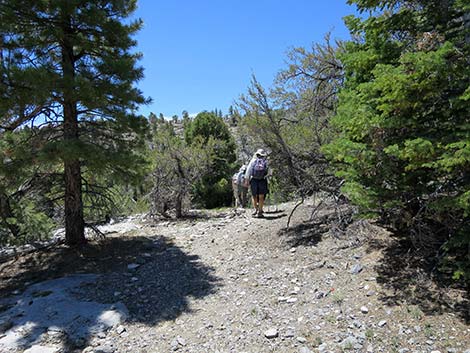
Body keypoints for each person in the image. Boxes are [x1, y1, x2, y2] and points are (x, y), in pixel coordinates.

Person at [245, 148, 268, 218]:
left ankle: (256, 210)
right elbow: (270, 172)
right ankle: (260, 212)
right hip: (262, 180)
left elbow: (248, 171)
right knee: (261, 196)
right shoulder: (266, 161)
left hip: (254, 180)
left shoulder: (253, 161)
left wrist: (247, 180)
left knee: (254, 196)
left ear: (257, 154)